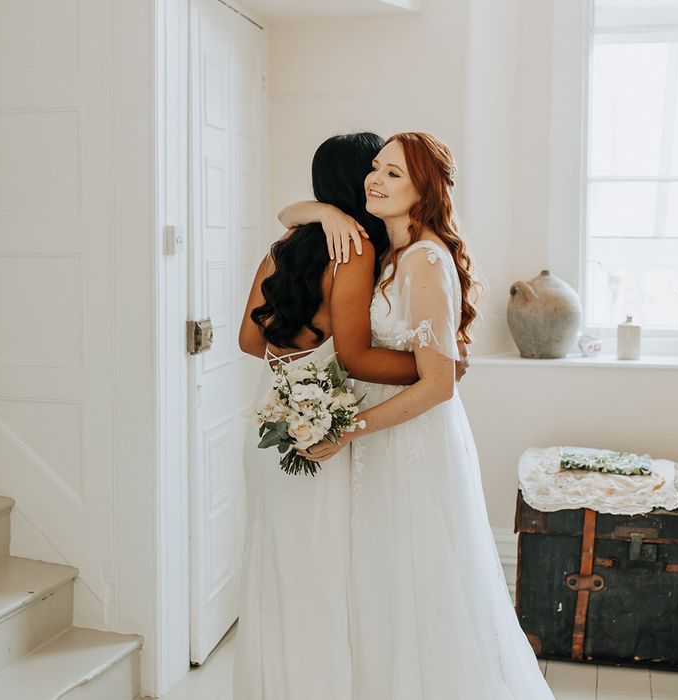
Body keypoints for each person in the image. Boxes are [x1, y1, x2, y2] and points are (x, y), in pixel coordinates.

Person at [300, 132, 556, 699]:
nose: (376, 179)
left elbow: (439, 384)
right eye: (375, 167)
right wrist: (321, 210)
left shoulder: (424, 259)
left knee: (421, 583)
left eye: (394, 173)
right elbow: (290, 213)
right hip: (383, 439)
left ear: (424, 189)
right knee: (387, 584)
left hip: (411, 441)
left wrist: (349, 429)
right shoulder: (393, 252)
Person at [235, 132, 439, 700]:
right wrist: (431, 369)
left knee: (274, 567)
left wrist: (295, 366)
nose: (380, 179)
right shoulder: (357, 250)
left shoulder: (283, 247)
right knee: (320, 578)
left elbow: (251, 342)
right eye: (374, 169)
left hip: (268, 421)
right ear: (358, 182)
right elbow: (353, 356)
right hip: (315, 435)